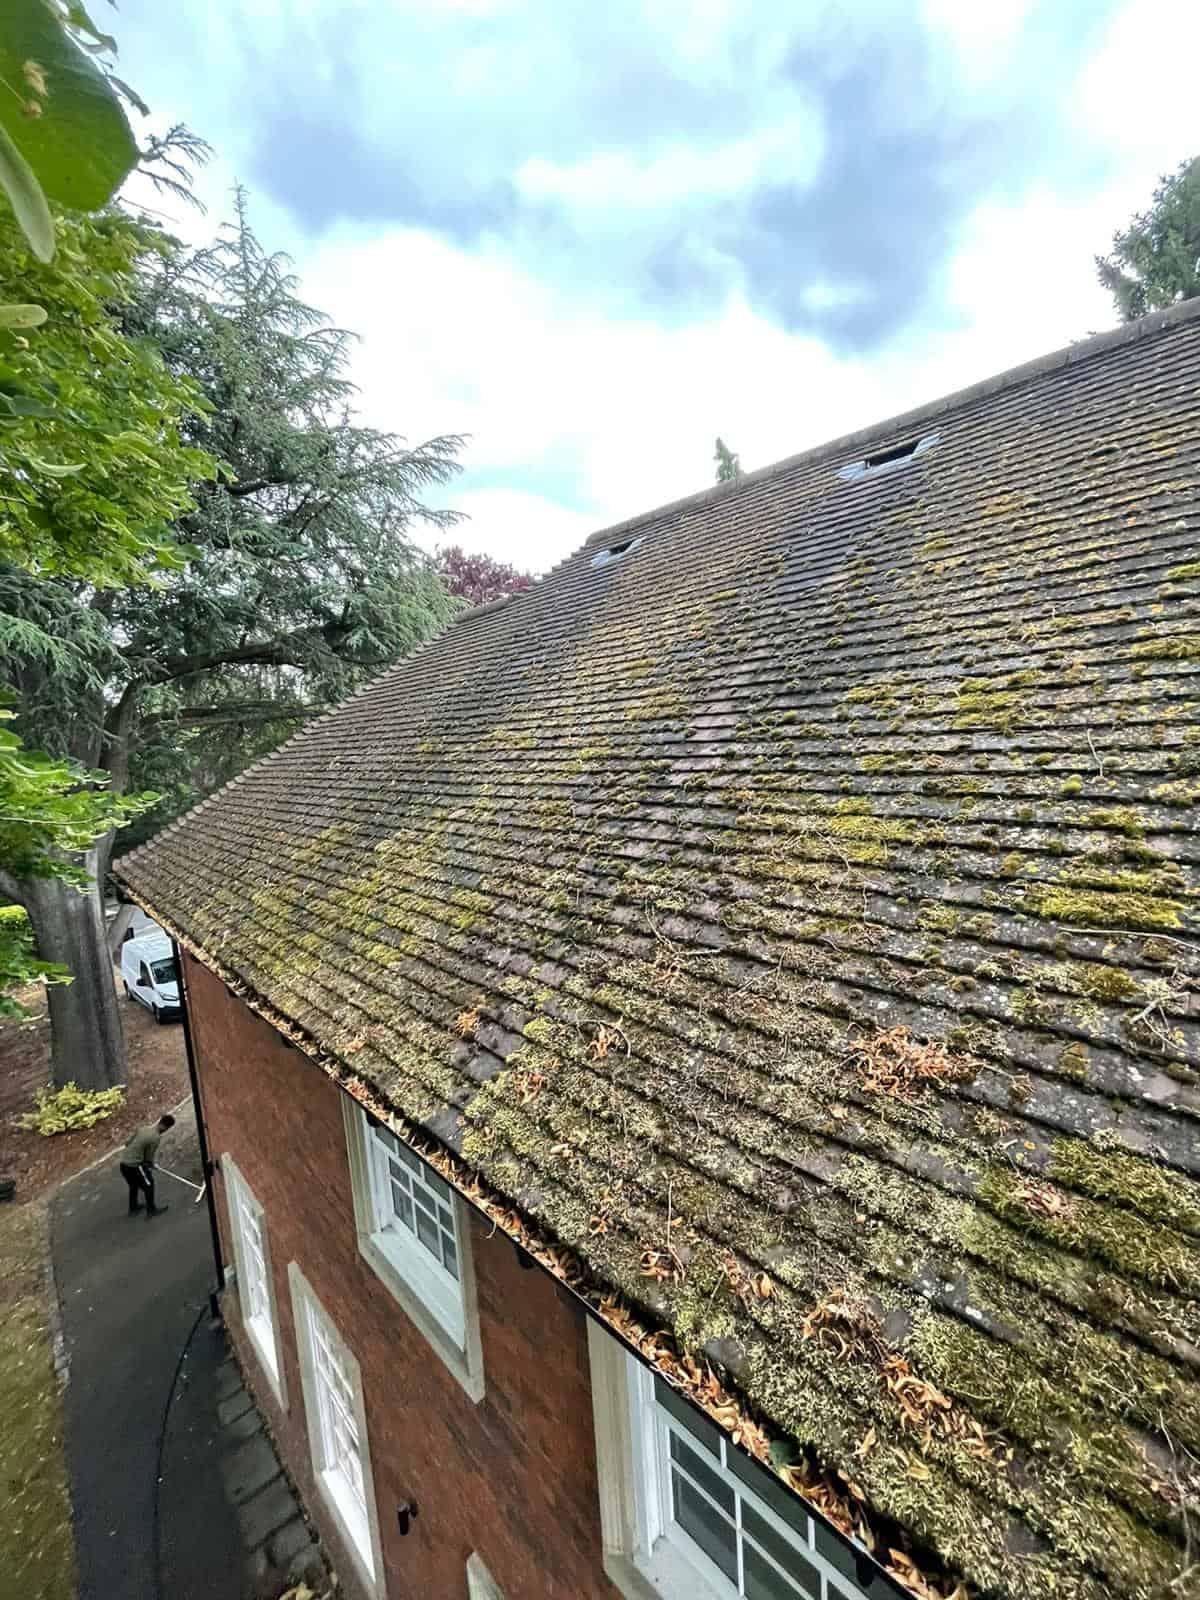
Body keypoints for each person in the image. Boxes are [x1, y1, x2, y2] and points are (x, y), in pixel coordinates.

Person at [118, 1114, 176, 1218]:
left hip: (123, 1164)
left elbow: (127, 1143)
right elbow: (148, 1158)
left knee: (133, 1186)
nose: (166, 1130)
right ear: (165, 1126)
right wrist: (152, 1165)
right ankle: (151, 1211)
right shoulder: (155, 1137)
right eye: (167, 1128)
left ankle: (133, 1208)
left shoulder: (143, 1129)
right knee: (149, 1185)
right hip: (134, 1166)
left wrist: (146, 1162)